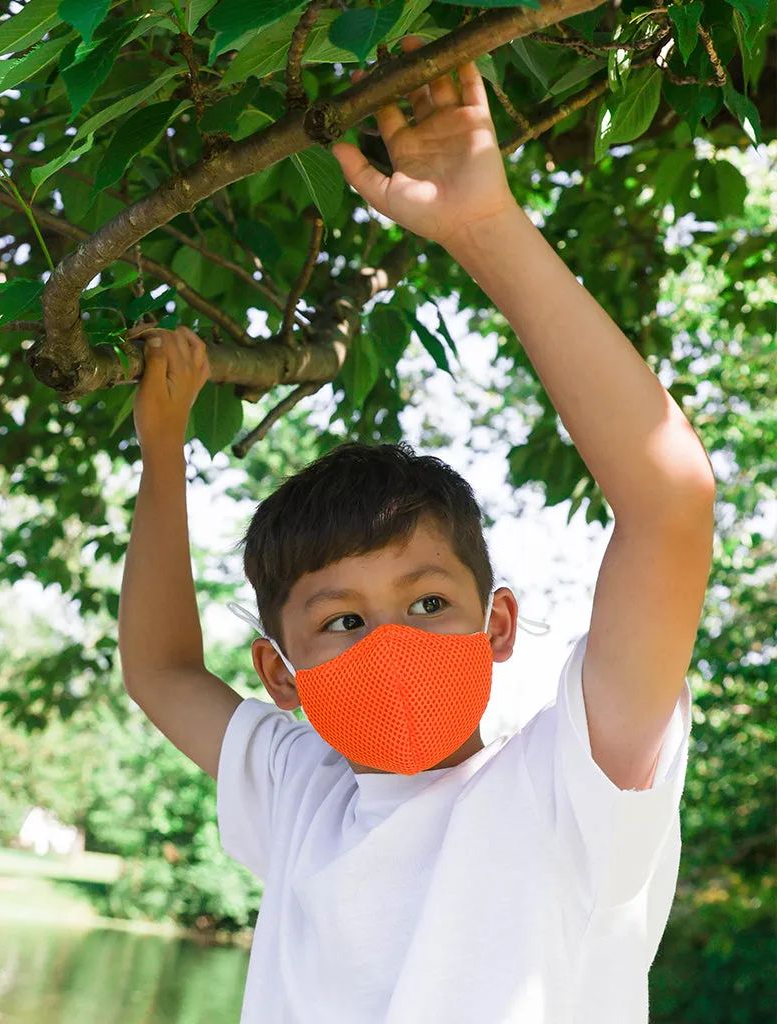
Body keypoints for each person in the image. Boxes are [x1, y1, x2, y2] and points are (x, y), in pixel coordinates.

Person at [118, 37, 715, 1024]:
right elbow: (163, 672)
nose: (390, 641)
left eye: (429, 601)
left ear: (499, 625)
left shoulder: (575, 784)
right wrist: (164, 454)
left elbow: (669, 506)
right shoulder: (302, 796)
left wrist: (487, 229)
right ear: (280, 675)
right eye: (341, 621)